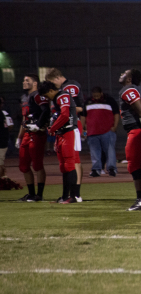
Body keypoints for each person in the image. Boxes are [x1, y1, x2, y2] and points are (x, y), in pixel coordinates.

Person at [38, 81, 81, 204]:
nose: (47, 98)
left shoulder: (62, 95)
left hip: (68, 132)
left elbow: (65, 115)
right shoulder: (58, 97)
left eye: (46, 95)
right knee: (63, 166)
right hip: (61, 133)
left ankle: (72, 196)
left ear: (51, 91)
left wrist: (52, 128)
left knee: (69, 164)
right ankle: (64, 196)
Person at [45, 68, 85, 200]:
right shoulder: (62, 90)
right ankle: (69, 194)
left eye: (51, 82)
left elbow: (73, 108)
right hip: (64, 125)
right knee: (67, 162)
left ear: (56, 78)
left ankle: (76, 194)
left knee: (73, 161)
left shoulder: (69, 87)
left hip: (70, 124)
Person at [118, 69, 141, 211]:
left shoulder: (128, 89)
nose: (120, 75)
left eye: (123, 74)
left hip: (137, 131)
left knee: (134, 166)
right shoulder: (139, 89)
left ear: (129, 78)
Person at [16, 74, 50, 202]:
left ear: (35, 83)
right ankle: (31, 193)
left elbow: (46, 110)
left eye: (27, 80)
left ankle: (39, 195)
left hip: (37, 133)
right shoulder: (25, 97)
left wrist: (38, 125)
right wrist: (19, 137)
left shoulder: (38, 95)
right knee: (23, 165)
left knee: (37, 165)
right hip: (27, 133)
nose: (24, 82)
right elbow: (25, 119)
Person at [81, 87, 119, 177]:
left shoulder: (109, 100)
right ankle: (96, 170)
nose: (96, 97)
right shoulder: (87, 102)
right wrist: (82, 129)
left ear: (101, 93)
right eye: (94, 96)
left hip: (107, 131)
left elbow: (116, 113)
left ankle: (112, 169)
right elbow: (83, 116)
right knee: (94, 152)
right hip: (92, 131)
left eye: (98, 95)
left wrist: (115, 126)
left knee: (110, 151)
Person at [0, 97, 14, 179]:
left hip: (2, 140)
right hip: (3, 139)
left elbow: (10, 125)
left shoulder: (3, 113)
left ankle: (2, 178)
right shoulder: (3, 113)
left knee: (0, 160)